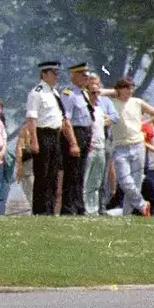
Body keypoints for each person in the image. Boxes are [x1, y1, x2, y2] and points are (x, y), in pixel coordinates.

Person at [21, 61, 78, 215]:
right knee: (42, 175)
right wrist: (34, 141)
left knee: (53, 175)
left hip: (55, 135)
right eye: (53, 73)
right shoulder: (36, 92)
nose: (56, 76)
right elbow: (32, 119)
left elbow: (62, 118)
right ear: (44, 74)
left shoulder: (54, 92)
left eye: (57, 73)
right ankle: (40, 210)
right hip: (42, 134)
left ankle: (50, 209)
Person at [104, 78, 154, 217]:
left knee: (136, 182)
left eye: (132, 88)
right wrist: (114, 91)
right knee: (125, 180)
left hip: (138, 145)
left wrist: (143, 123)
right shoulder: (112, 103)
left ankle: (127, 214)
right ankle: (142, 204)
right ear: (119, 89)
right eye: (127, 88)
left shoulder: (137, 102)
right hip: (120, 146)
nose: (130, 91)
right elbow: (99, 92)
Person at [60, 64, 95, 214]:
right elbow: (66, 120)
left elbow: (88, 117)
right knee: (72, 173)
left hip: (85, 133)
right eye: (82, 75)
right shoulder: (69, 93)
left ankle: (79, 206)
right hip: (75, 133)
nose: (85, 77)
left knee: (80, 173)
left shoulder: (84, 94)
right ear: (73, 76)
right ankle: (68, 208)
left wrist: (90, 138)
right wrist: (73, 143)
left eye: (87, 75)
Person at [81, 75, 112, 213]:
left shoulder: (99, 110)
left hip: (101, 147)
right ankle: (83, 207)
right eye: (93, 93)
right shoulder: (84, 110)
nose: (96, 96)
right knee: (85, 179)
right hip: (90, 148)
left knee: (96, 180)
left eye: (98, 93)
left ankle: (92, 209)